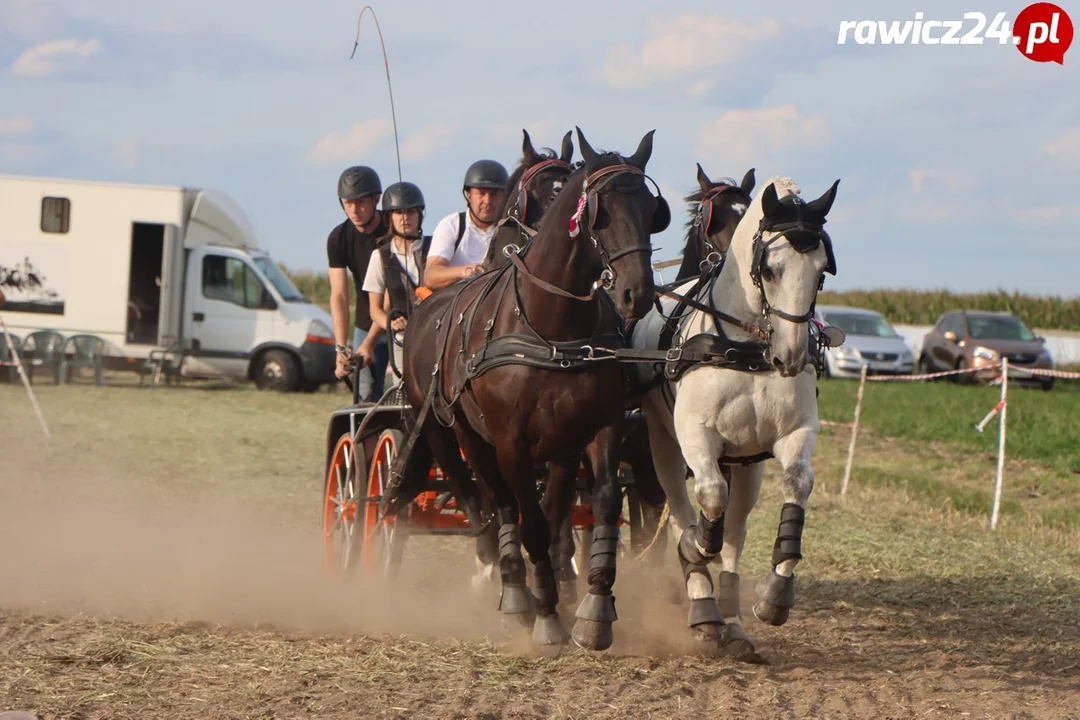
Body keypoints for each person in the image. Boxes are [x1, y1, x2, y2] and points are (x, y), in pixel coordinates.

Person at [326, 165, 390, 399]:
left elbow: (393, 293)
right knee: (364, 399)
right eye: (348, 203)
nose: (354, 210)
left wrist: (371, 342)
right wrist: (341, 348)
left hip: (400, 321)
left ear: (376, 199)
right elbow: (339, 295)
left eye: (361, 202)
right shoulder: (338, 238)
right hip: (365, 323)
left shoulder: (394, 229)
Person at [360, 181, 431, 390]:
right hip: (402, 341)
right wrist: (390, 324)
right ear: (390, 217)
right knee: (406, 395)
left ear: (420, 215)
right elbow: (374, 310)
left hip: (436, 335)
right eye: (399, 213)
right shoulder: (379, 256)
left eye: (411, 212)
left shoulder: (435, 247)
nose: (405, 218)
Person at [424, 159, 509, 289]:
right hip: (457, 302)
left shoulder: (511, 228)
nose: (487, 201)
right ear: (468, 195)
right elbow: (431, 276)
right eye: (481, 193)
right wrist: (466, 271)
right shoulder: (452, 225)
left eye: (494, 194)